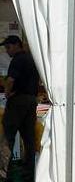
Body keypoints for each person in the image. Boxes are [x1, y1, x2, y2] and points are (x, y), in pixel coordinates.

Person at [0, 36, 39, 181]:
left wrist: (7, 92)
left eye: (8, 47)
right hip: (31, 100)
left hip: (18, 102)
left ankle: (3, 174)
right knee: (29, 138)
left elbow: (10, 81)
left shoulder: (17, 59)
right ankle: (30, 172)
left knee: (7, 138)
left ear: (17, 45)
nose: (7, 50)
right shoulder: (31, 59)